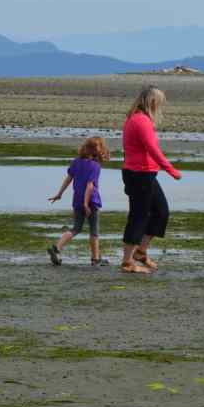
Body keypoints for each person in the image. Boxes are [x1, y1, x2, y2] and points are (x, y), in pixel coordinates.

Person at [120, 86, 181, 274]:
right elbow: (153, 150)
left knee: (161, 212)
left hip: (145, 174)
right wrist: (171, 170)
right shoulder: (140, 121)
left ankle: (141, 252)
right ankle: (127, 262)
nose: (160, 106)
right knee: (138, 216)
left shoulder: (138, 119)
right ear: (152, 102)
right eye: (159, 102)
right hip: (139, 174)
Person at [47, 137, 111, 267]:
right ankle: (95, 259)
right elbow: (90, 186)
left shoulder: (76, 162)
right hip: (91, 202)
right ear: (98, 151)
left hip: (77, 199)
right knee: (94, 231)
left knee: (76, 228)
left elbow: (68, 179)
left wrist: (59, 194)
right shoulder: (95, 166)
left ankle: (57, 247)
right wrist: (86, 204)